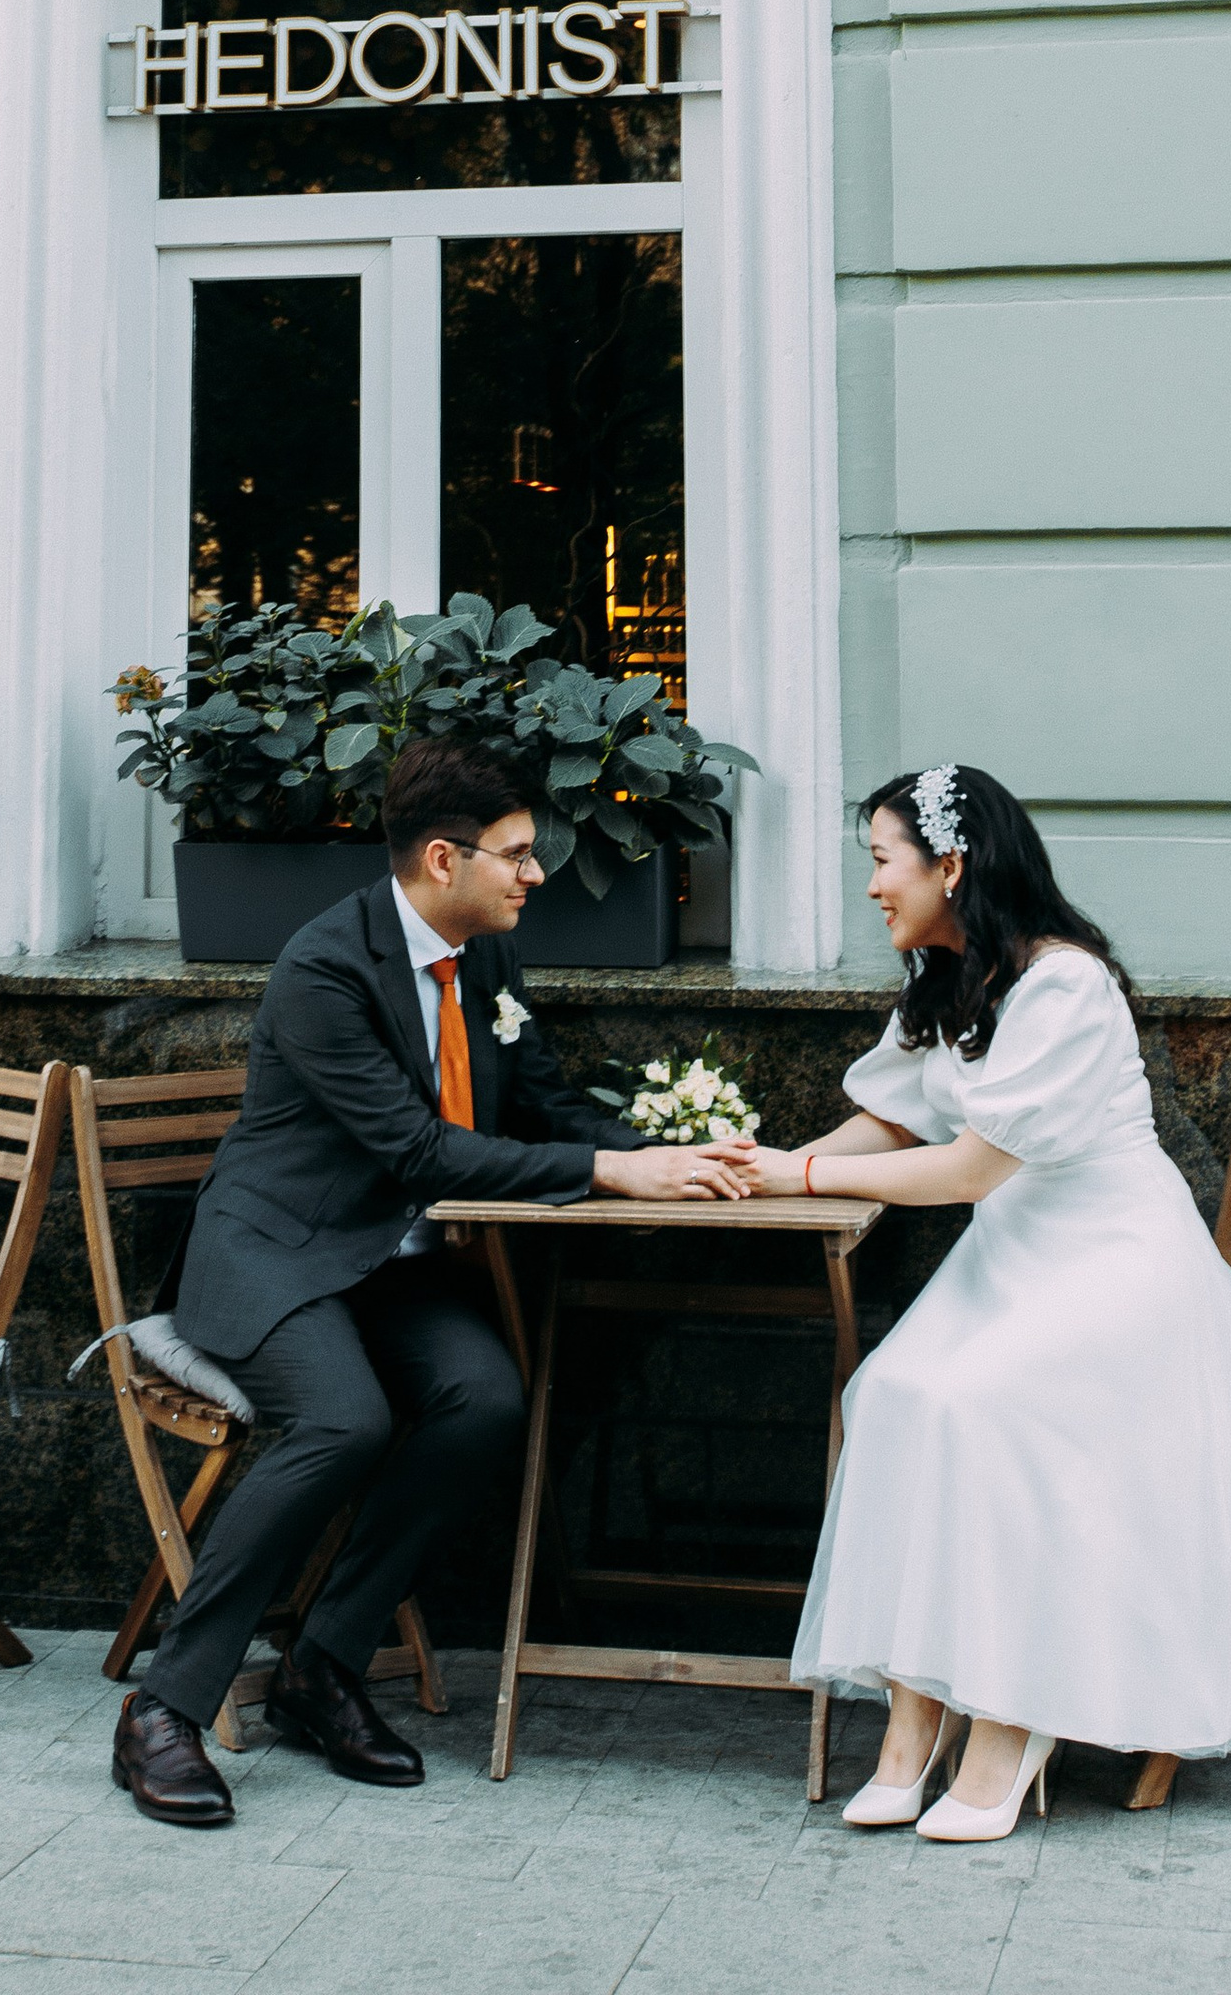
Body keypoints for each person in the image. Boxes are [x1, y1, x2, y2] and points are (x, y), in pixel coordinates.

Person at [113, 738, 752, 1828]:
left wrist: (684, 1155)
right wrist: (611, 1170)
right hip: (274, 1253)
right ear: (443, 859)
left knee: (484, 1400)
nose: (536, 873)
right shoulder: (323, 969)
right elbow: (419, 1152)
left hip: (387, 1264)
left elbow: (540, 1100)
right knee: (344, 1421)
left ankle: (323, 1668)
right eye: (516, 855)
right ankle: (164, 1707)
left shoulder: (486, 956)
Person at [738, 763, 1231, 1841]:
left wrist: (803, 1181)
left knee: (983, 1408)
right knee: (897, 1392)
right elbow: (891, 1121)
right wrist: (765, 1163)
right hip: (1014, 1265)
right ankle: (914, 1725)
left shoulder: (1064, 985)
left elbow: (966, 1170)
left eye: (880, 861)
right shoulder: (947, 974)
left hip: (1119, 1266)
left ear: (950, 866)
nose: (870, 886)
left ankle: (1010, 1721)